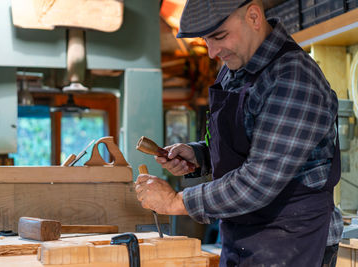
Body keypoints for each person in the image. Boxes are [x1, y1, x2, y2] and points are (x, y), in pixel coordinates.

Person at [135, 0, 343, 266]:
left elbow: (259, 181)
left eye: (219, 36)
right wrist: (200, 155)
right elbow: (249, 146)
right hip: (244, 235)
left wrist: (176, 202)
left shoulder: (292, 77)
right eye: (205, 40)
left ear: (254, 16)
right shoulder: (235, 70)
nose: (211, 52)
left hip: (295, 241)